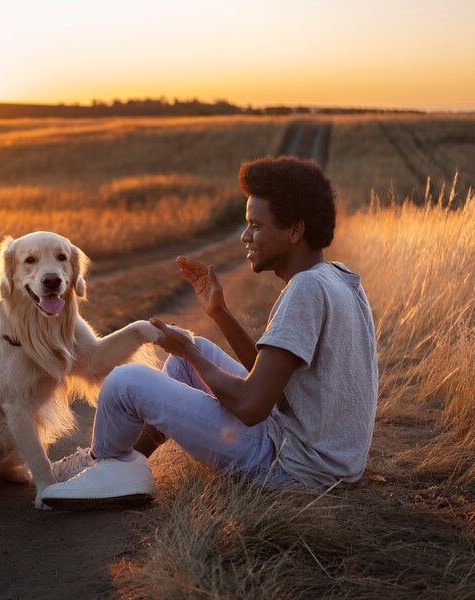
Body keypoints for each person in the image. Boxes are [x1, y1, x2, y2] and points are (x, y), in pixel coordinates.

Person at [41, 156, 378, 510]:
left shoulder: (305, 290)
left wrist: (189, 352)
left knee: (126, 381)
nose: (245, 236)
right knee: (191, 352)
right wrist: (219, 313)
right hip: (326, 459)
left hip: (293, 466)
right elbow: (270, 379)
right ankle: (116, 466)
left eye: (255, 226)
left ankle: (106, 465)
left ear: (295, 230)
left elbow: (251, 406)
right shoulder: (339, 278)